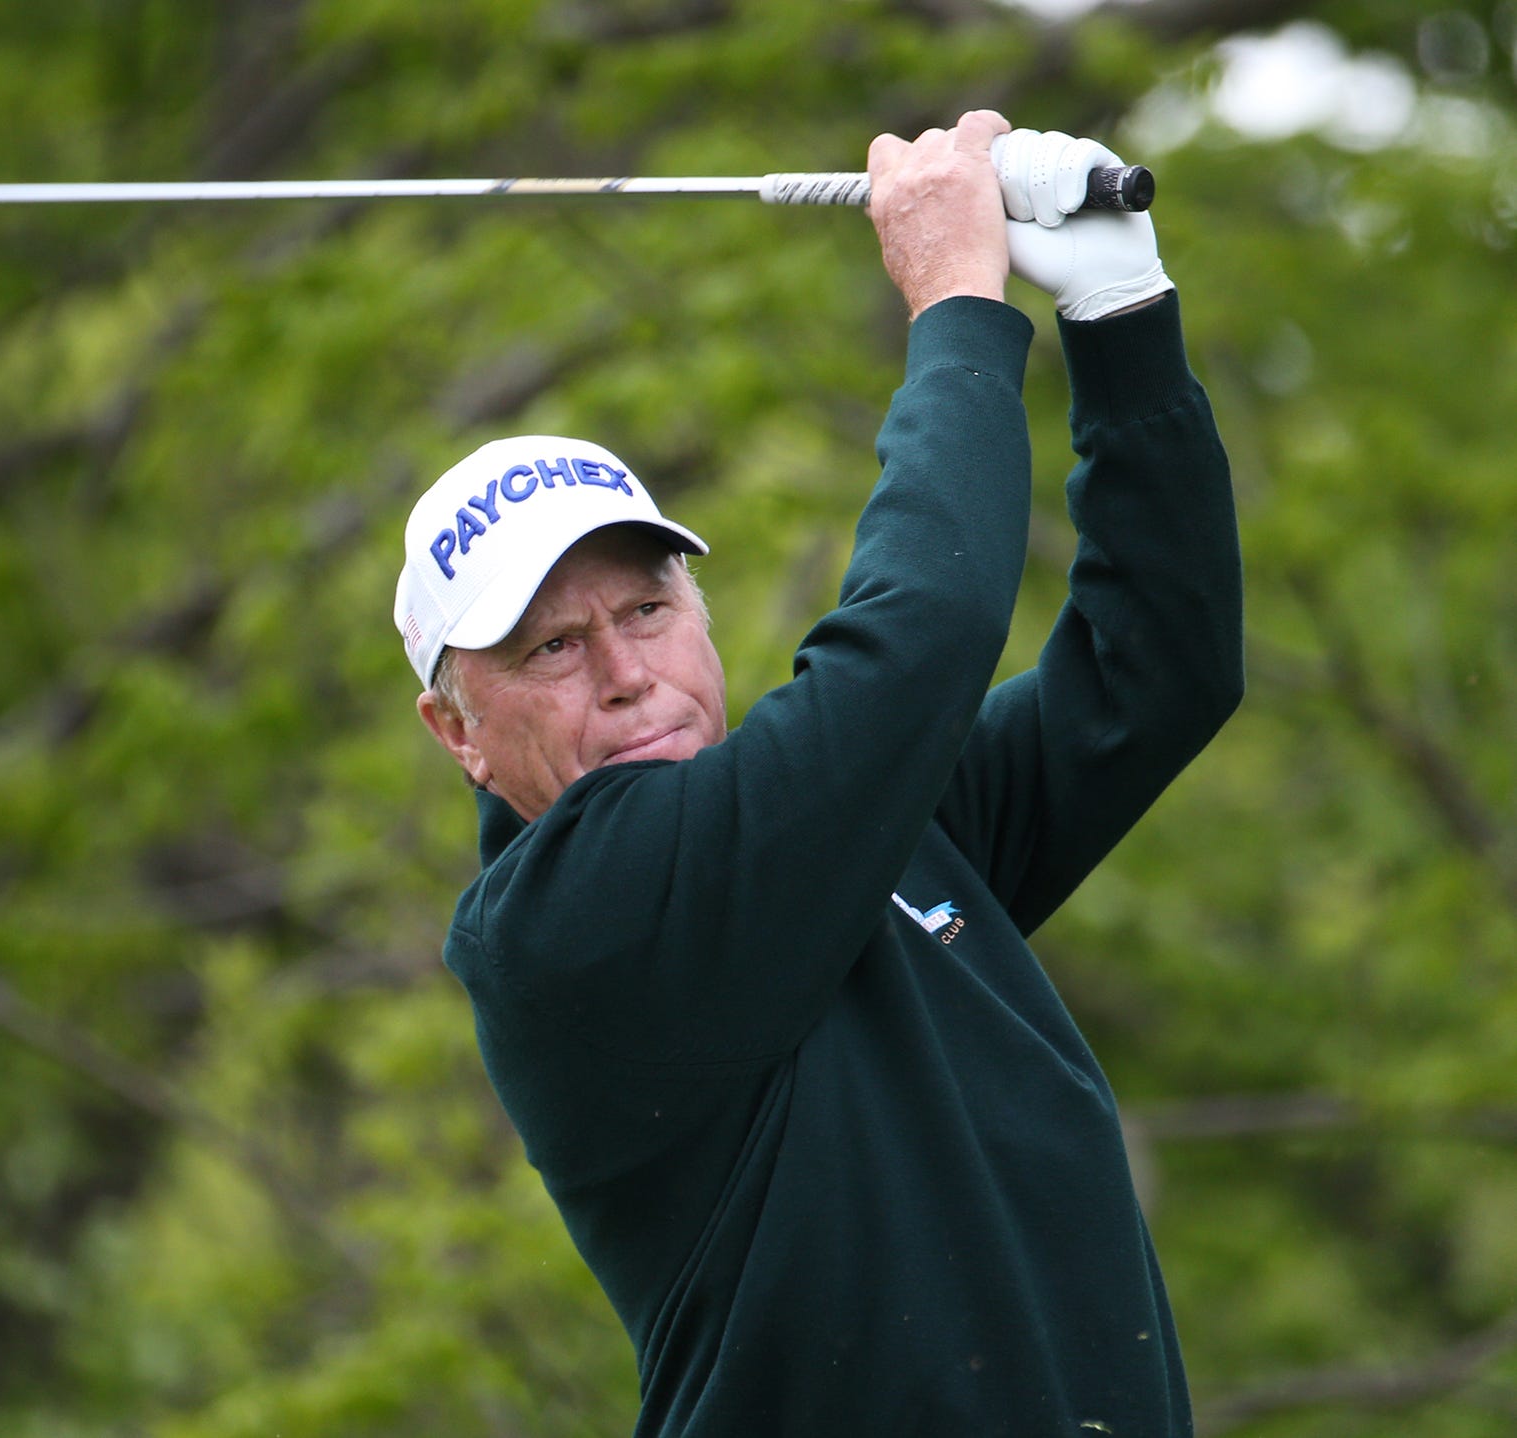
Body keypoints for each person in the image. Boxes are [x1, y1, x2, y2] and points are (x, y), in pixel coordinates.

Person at [392, 110, 1242, 1436]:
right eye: (553, 644)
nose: (624, 671)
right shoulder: (572, 921)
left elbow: (1158, 669)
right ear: (459, 734)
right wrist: (958, 303)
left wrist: (1125, 312)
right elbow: (918, 640)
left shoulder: (862, 836)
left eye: (649, 607)